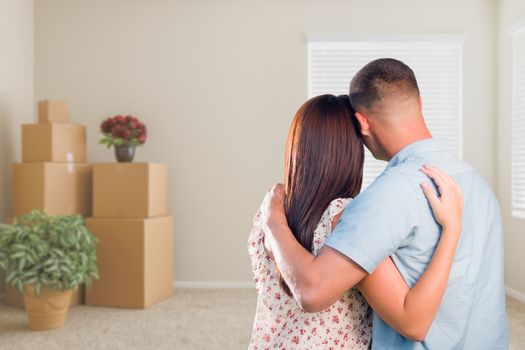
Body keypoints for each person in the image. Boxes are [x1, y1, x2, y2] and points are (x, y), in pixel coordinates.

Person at [260, 59, 509, 349]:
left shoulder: (390, 194)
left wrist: (273, 220)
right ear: (420, 102)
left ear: (362, 122)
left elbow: (313, 292)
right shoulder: (476, 183)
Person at [248, 94, 464, 349]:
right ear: (351, 153)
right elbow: (412, 322)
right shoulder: (346, 218)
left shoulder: (270, 210)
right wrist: (452, 228)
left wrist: (274, 220)